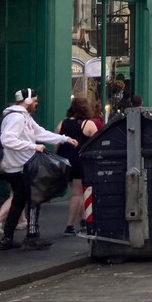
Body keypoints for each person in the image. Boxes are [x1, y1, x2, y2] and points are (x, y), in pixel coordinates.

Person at [0, 88, 79, 250]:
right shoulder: (17, 118)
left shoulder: (22, 117)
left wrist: (64, 138)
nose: (36, 104)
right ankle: (32, 235)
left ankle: (7, 238)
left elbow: (39, 132)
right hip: (22, 166)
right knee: (35, 198)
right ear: (26, 101)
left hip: (17, 166)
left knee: (19, 200)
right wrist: (33, 146)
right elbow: (7, 139)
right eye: (34, 101)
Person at [55, 98, 99, 236]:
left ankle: (84, 219)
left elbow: (56, 143)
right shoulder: (89, 124)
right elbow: (97, 143)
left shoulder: (62, 123)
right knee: (78, 194)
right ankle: (69, 225)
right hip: (80, 162)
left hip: (64, 161)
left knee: (75, 192)